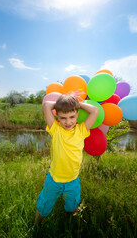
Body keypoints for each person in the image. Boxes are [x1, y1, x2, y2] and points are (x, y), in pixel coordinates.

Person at [35, 94, 99, 225]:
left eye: (72, 117)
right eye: (63, 118)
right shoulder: (56, 130)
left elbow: (95, 110)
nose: (68, 122)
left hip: (73, 179)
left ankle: (72, 227)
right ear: (57, 116)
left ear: (77, 115)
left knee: (73, 206)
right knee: (44, 206)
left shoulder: (81, 130)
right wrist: (63, 103)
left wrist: (77, 104)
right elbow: (46, 105)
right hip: (54, 179)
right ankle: (36, 227)